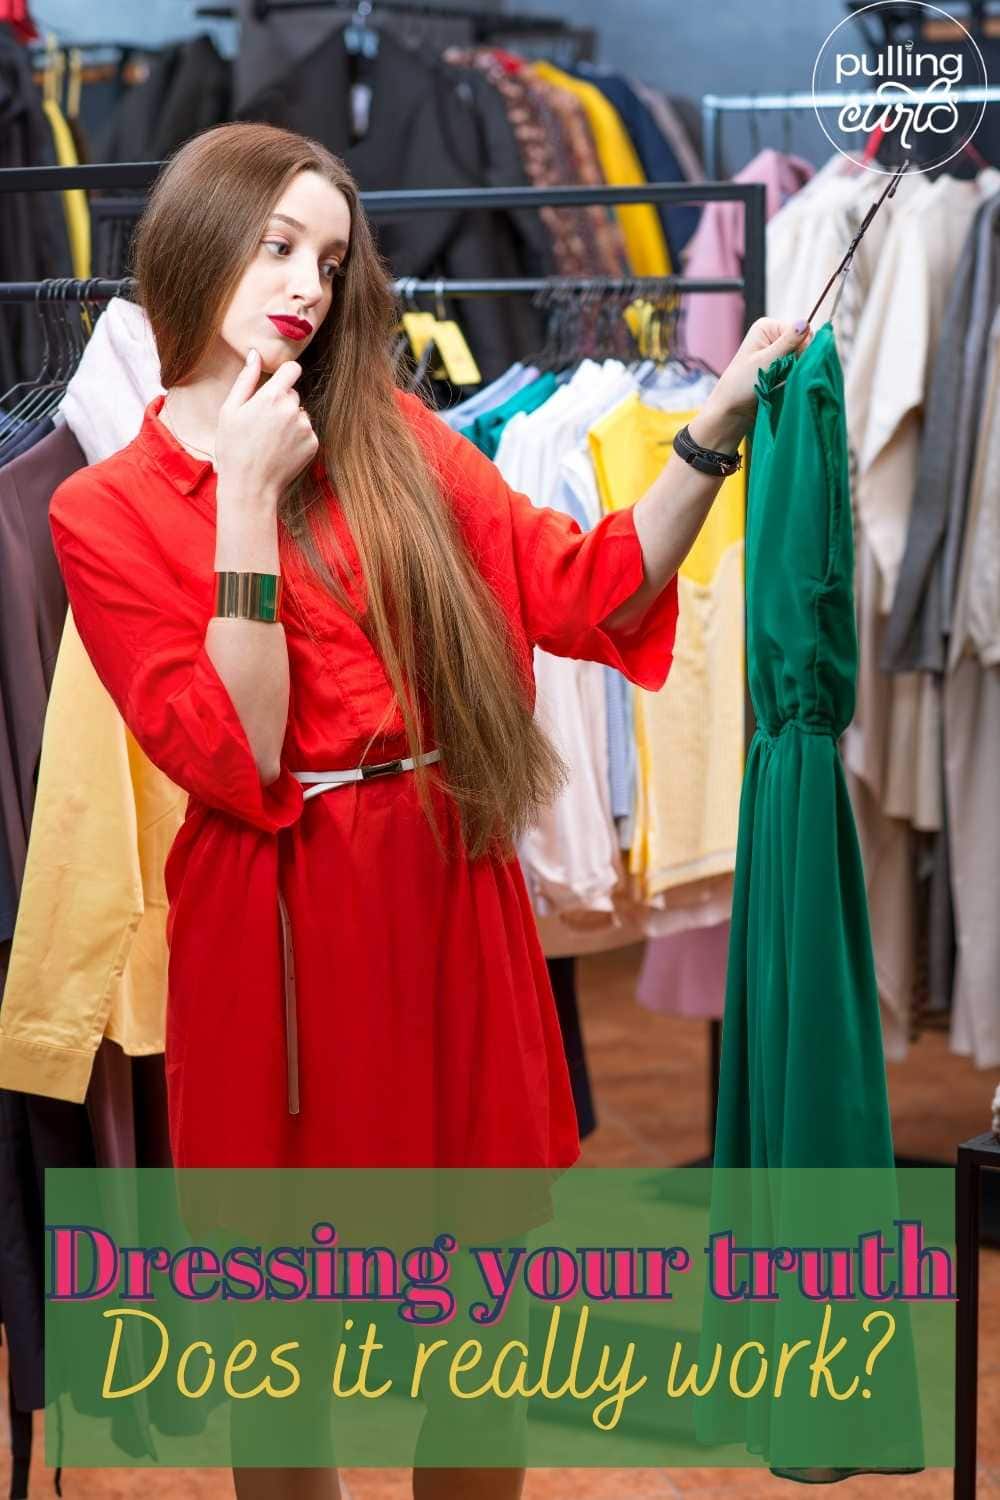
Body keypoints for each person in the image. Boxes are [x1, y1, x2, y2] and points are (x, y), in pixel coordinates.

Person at [48, 121, 811, 1500]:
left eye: (330, 261)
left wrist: (718, 420)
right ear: (196, 240)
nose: (305, 285)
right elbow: (238, 751)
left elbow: (585, 587)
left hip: (446, 900)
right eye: (277, 244)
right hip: (273, 940)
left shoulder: (391, 432)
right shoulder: (100, 512)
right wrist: (242, 508)